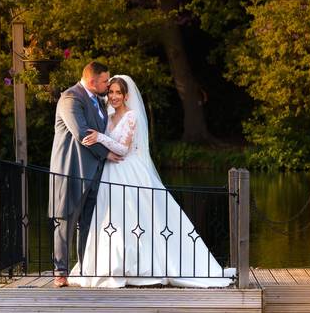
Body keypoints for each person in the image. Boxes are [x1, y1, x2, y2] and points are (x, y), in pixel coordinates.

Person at [67, 75, 235, 287]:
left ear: (126, 96)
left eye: (119, 92)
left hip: (128, 170)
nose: (114, 96)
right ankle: (108, 266)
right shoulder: (106, 116)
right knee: (111, 219)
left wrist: (99, 138)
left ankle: (142, 265)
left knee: (137, 218)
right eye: (111, 92)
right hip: (109, 172)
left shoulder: (131, 116)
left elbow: (123, 149)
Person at [48, 62, 121, 287]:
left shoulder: (98, 101)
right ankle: (60, 272)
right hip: (71, 171)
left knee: (88, 223)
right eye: (104, 81)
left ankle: (84, 268)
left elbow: (99, 132)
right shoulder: (71, 99)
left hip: (95, 172)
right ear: (91, 81)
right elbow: (82, 134)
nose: (107, 85)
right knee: (66, 221)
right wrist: (107, 153)